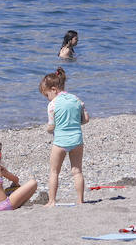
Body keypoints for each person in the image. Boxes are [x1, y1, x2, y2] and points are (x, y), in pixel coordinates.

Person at [39, 67, 90, 206]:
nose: (47, 98)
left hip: (60, 141)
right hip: (77, 139)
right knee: (77, 171)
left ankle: (52, 201)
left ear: (54, 89)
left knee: (54, 171)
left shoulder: (52, 105)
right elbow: (85, 119)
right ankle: (80, 200)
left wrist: (49, 130)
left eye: (47, 94)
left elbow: (51, 125)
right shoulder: (77, 99)